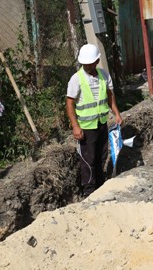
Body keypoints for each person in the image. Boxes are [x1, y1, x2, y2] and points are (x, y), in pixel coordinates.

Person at [66, 43, 122, 197]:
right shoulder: (76, 79)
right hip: (86, 128)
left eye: (90, 63)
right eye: (85, 64)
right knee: (88, 160)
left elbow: (110, 96)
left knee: (102, 156)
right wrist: (75, 126)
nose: (88, 66)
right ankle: (89, 191)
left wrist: (117, 113)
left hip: (101, 123)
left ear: (97, 61)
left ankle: (100, 185)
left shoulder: (103, 75)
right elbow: (69, 103)